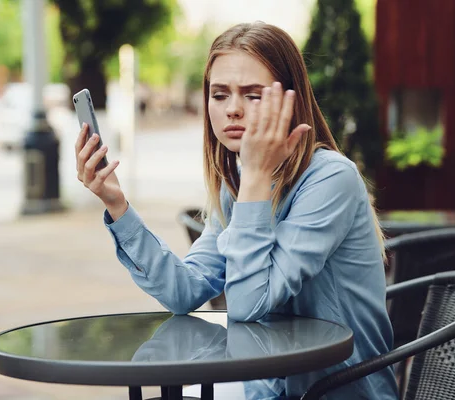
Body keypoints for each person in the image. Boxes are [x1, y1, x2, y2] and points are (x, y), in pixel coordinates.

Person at [75, 22, 398, 399]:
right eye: (220, 94)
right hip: (270, 384)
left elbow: (247, 305)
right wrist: (117, 204)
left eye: (252, 94)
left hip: (336, 391)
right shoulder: (242, 183)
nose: (232, 110)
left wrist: (256, 179)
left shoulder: (330, 179)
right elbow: (185, 291)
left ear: (289, 101)